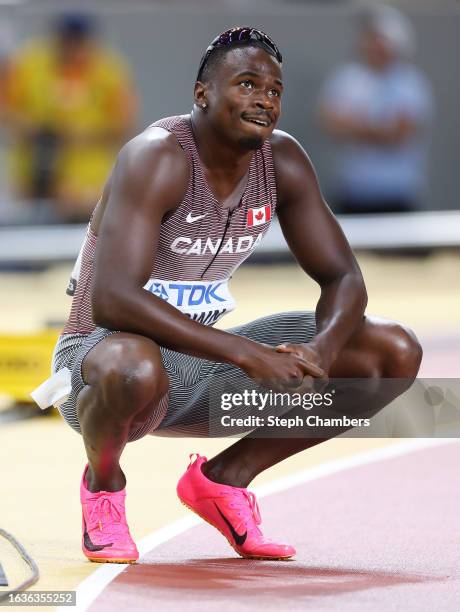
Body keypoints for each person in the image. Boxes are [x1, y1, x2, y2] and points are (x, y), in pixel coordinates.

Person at [35, 27, 422, 564]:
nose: (264, 99)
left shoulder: (280, 161)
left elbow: (344, 277)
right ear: (202, 94)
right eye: (246, 84)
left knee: (392, 350)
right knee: (133, 363)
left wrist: (322, 354)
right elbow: (114, 301)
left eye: (274, 91)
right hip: (104, 364)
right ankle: (103, 488)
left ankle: (223, 482)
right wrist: (248, 353)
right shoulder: (157, 157)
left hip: (202, 364)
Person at [6, 13, 137, 223]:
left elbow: (123, 125)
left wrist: (79, 135)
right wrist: (35, 129)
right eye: (65, 42)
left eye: (77, 43)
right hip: (33, 171)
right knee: (33, 230)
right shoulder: (30, 63)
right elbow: (8, 109)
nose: (71, 50)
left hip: (86, 179)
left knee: (81, 234)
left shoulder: (108, 70)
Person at [318, 6, 433, 215]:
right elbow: (331, 125)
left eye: (380, 39)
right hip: (352, 190)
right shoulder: (346, 78)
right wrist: (378, 129)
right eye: (370, 38)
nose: (373, 45)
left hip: (397, 191)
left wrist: (355, 126)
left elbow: (398, 135)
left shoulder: (411, 82)